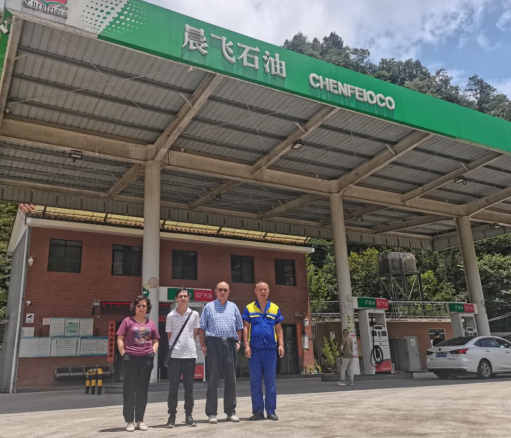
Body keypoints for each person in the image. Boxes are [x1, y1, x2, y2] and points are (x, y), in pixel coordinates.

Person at [199, 281, 243, 424]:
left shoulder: (233, 307)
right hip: (213, 344)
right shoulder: (209, 307)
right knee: (213, 378)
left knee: (231, 379)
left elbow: (239, 327)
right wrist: (203, 345)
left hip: (230, 344)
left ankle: (231, 412)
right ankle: (212, 413)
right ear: (215, 291)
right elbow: (201, 328)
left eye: (225, 290)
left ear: (229, 292)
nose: (222, 292)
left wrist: (238, 342)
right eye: (220, 289)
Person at [117, 295, 160, 432]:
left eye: (144, 306)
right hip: (130, 359)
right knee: (129, 390)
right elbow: (120, 338)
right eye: (139, 305)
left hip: (146, 360)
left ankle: (140, 420)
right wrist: (124, 354)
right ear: (134, 307)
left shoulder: (151, 323)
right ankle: (129, 421)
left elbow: (156, 340)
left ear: (147, 308)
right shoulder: (127, 321)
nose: (141, 308)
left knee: (142, 390)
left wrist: (152, 353)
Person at [242, 281, 284, 421]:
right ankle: (258, 412)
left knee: (270, 382)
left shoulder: (275, 308)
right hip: (254, 350)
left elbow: (279, 329)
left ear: (269, 291)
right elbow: (246, 328)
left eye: (265, 289)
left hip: (270, 350)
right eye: (260, 289)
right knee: (255, 382)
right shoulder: (249, 308)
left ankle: (271, 411)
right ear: (255, 291)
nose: (263, 292)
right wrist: (246, 345)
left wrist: (281, 345)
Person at [165, 287, 200, 428]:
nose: (183, 298)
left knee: (189, 388)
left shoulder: (195, 314)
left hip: (190, 355)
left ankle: (189, 416)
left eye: (185, 296)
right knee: (173, 388)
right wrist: (178, 346)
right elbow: (169, 336)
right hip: (175, 355)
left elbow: (195, 334)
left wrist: (187, 344)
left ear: (189, 298)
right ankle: (171, 416)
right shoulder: (170, 316)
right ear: (176, 299)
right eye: (180, 296)